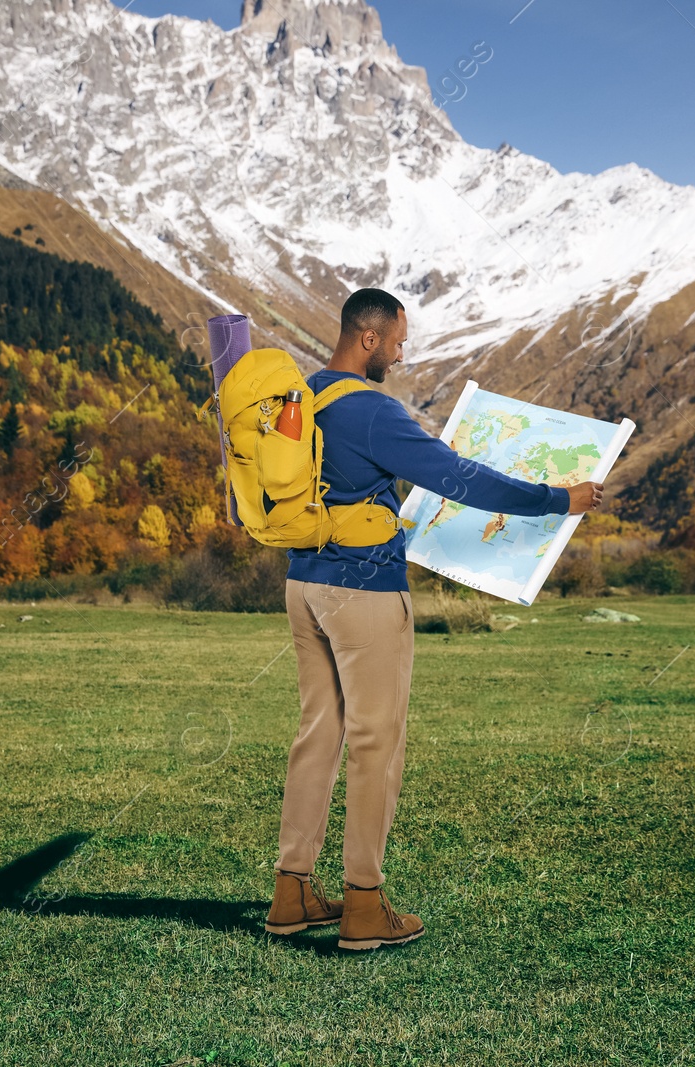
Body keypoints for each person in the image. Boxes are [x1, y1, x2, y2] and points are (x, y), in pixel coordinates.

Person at [264, 288, 604, 950]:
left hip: (304, 584)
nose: (401, 349)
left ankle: (292, 890)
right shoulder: (370, 410)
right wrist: (557, 498)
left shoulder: (302, 399)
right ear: (368, 337)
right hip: (364, 596)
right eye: (397, 338)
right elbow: (460, 478)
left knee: (318, 734)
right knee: (375, 744)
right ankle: (364, 904)